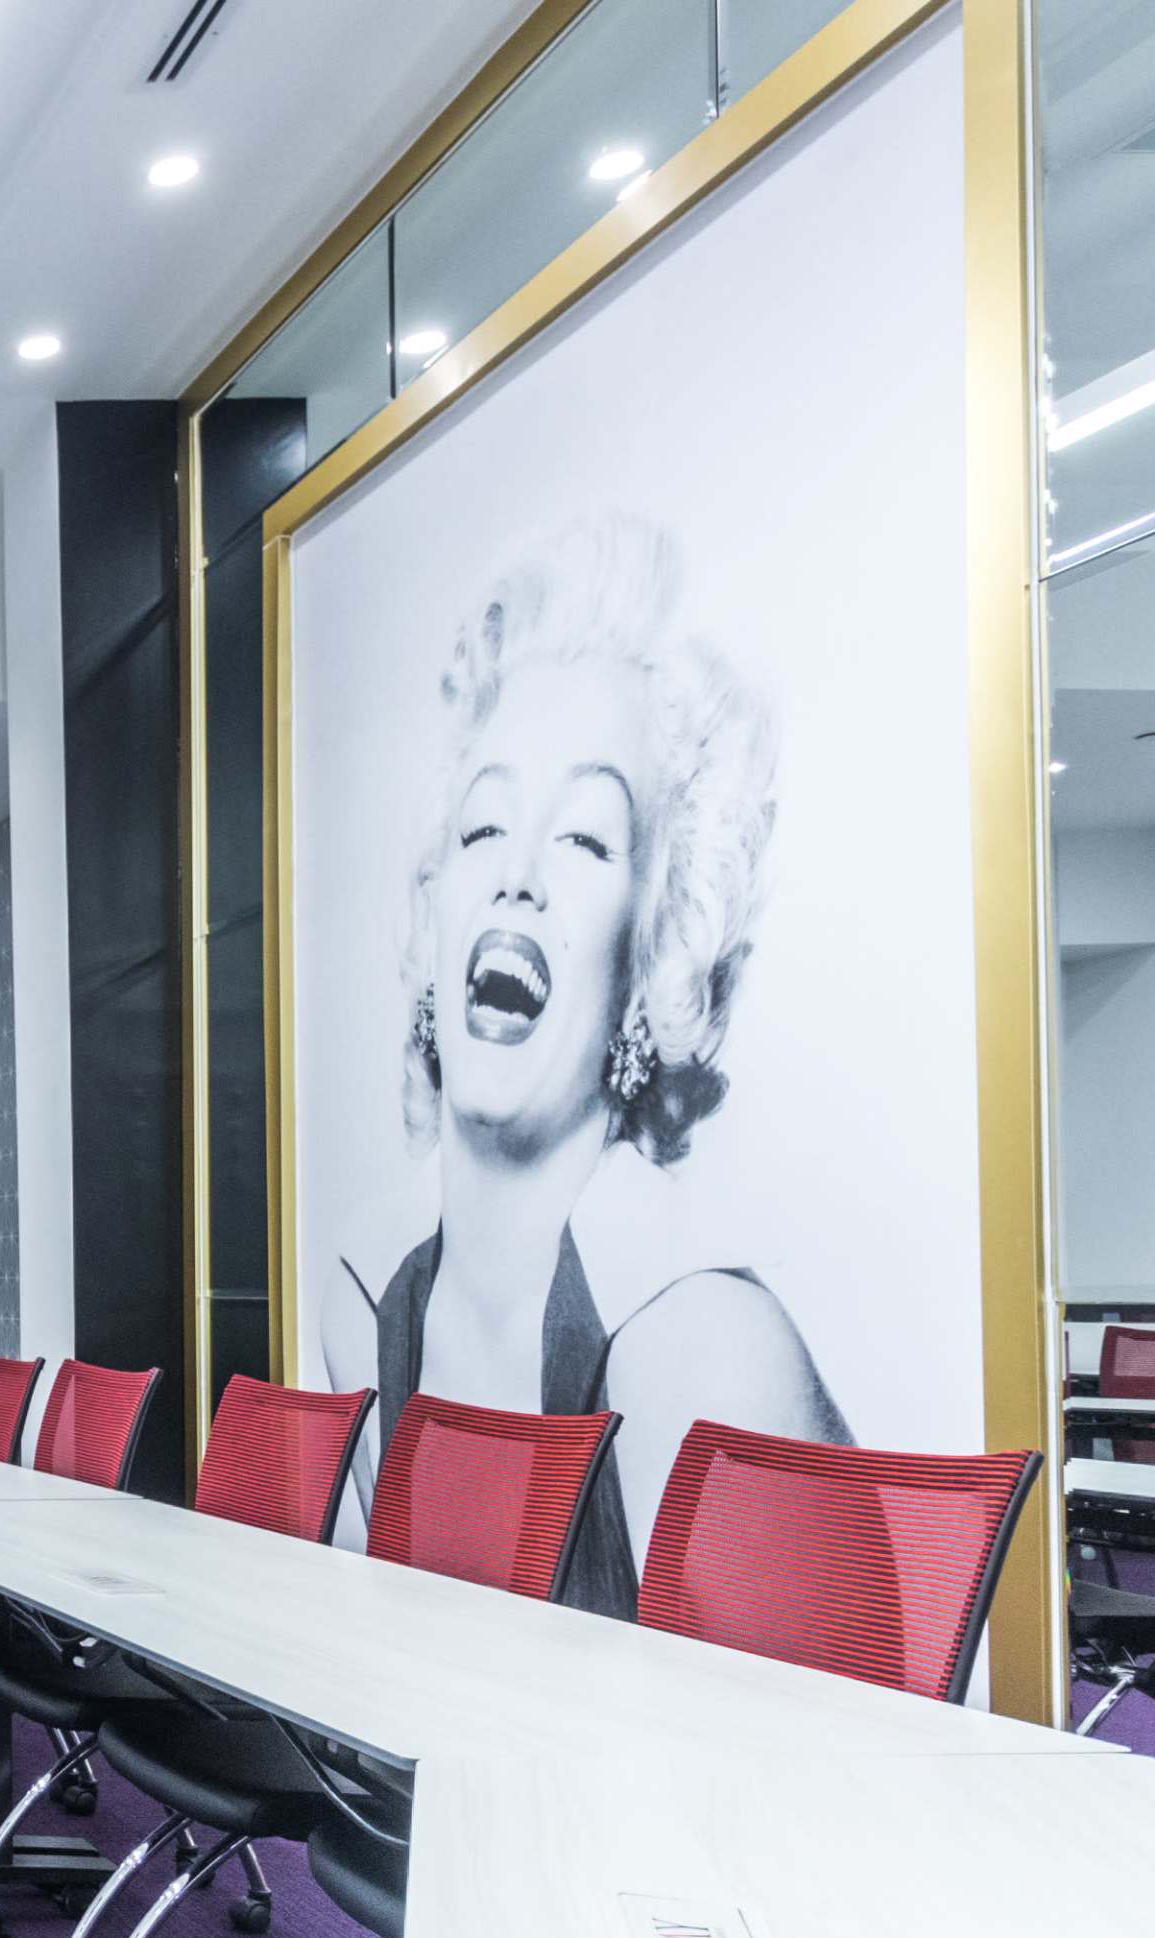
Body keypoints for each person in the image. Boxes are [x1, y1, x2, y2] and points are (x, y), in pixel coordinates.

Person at [320, 515, 845, 1611]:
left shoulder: (705, 1351)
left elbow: (791, 1772)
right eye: (483, 831)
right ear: (434, 924)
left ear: (647, 963)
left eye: (586, 840)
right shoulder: (370, 1304)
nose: (517, 875)